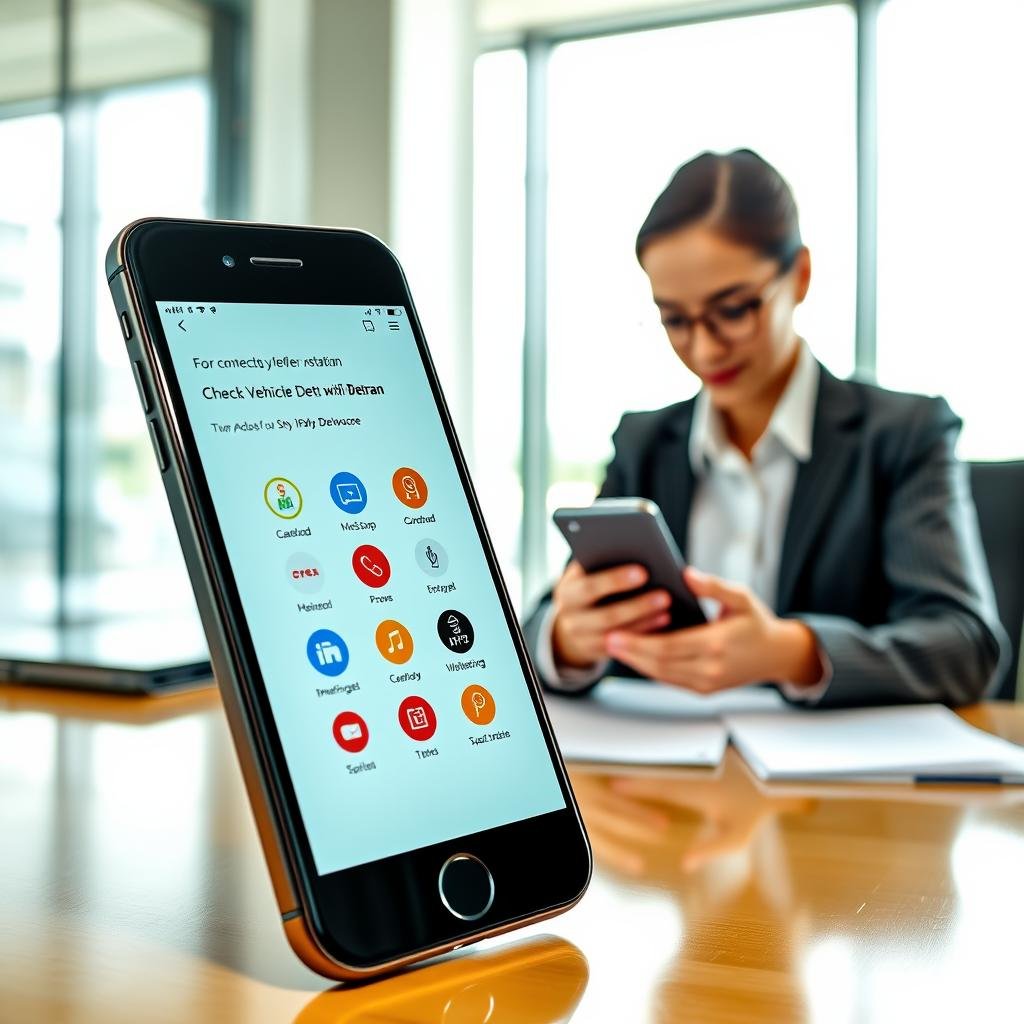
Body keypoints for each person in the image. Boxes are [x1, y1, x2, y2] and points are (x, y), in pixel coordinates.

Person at [522, 149, 1006, 707]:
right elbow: (542, 621)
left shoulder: (903, 435)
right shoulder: (644, 443)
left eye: (732, 310)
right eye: (675, 320)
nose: (704, 349)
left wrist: (791, 652)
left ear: (799, 275)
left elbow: (966, 646)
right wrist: (567, 639)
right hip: (665, 760)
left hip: (833, 763)